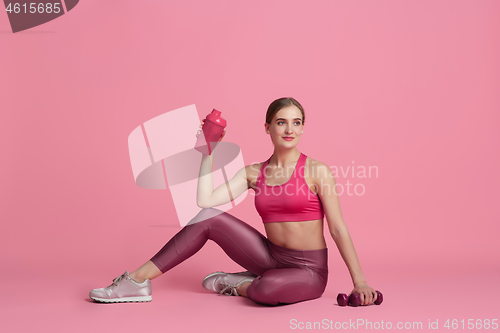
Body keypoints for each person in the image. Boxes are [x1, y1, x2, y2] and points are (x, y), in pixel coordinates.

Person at [89, 97, 378, 306]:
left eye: (296, 122)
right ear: (267, 128)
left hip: (308, 270)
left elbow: (338, 228)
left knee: (265, 291)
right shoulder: (254, 172)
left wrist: (359, 281)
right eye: (281, 122)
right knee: (209, 219)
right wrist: (207, 151)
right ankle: (137, 281)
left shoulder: (318, 170)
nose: (289, 129)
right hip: (270, 257)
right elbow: (205, 201)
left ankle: (235, 283)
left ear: (303, 128)